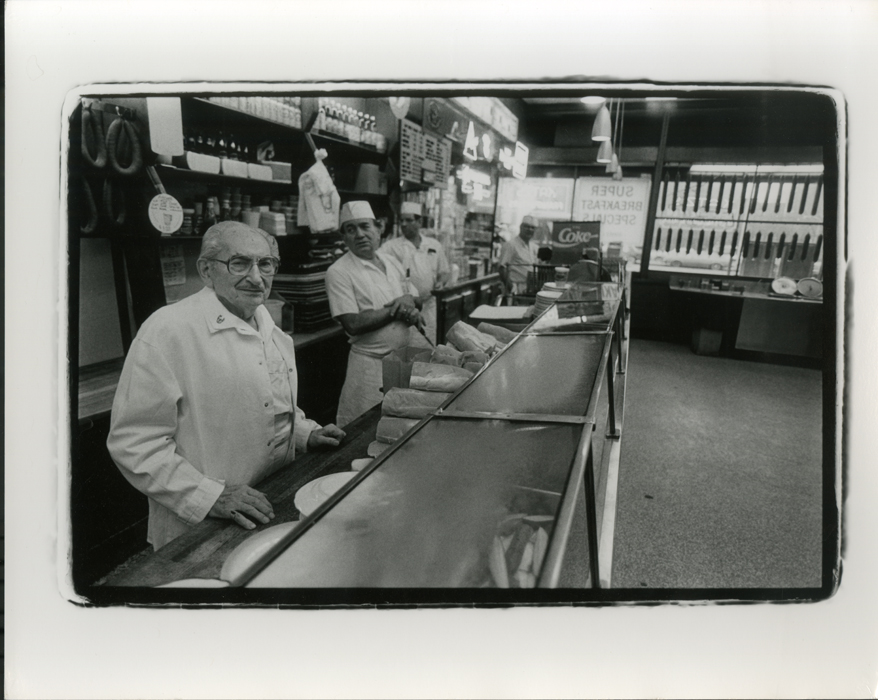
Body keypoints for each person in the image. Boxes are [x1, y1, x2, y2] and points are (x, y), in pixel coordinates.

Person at [107, 221, 345, 550]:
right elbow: (133, 442)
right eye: (240, 263)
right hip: (202, 525)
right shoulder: (167, 330)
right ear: (206, 270)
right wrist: (209, 496)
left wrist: (303, 433)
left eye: (265, 263)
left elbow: (266, 400)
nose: (257, 277)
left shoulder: (268, 324)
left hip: (271, 499)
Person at [326, 201, 429, 428]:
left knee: (400, 429)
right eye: (351, 229)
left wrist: (410, 305)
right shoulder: (338, 272)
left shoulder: (391, 262)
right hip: (368, 371)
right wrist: (398, 309)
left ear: (379, 228)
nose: (360, 234)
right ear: (344, 237)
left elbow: (415, 298)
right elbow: (352, 323)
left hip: (401, 363)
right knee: (364, 431)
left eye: (365, 226)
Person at [380, 201, 450, 343]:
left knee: (429, 344)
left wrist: (441, 282)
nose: (404, 224)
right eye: (402, 221)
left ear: (419, 222)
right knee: (409, 347)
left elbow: (444, 271)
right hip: (408, 309)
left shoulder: (433, 245)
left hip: (430, 307)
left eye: (409, 220)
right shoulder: (391, 247)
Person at [498, 214, 539, 295]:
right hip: (516, 290)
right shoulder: (511, 245)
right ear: (521, 227)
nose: (529, 230)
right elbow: (502, 269)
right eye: (526, 226)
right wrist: (512, 288)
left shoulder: (534, 247)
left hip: (530, 290)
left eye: (532, 228)